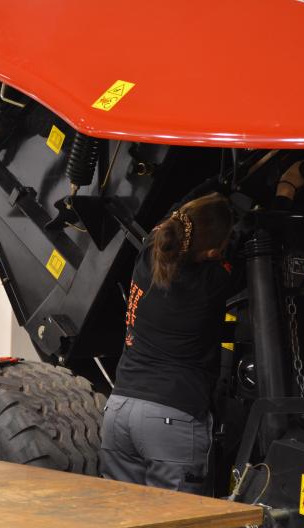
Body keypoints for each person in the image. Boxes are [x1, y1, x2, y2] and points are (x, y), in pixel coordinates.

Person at [100, 192, 235, 493]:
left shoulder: (151, 249)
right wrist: (285, 192)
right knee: (175, 518)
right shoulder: (212, 283)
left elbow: (179, 210)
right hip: (171, 417)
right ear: (212, 252)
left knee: (122, 515)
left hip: (119, 409)